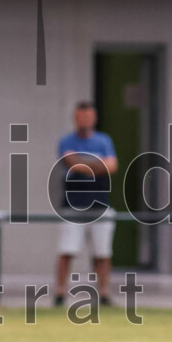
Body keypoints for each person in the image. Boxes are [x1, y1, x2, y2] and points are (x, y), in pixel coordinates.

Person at [53, 101, 118, 306]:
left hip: (100, 205)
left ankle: (104, 293)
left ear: (94, 118)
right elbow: (69, 161)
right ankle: (60, 292)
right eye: (81, 116)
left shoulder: (104, 141)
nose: (85, 120)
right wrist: (97, 165)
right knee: (67, 250)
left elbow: (112, 166)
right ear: (75, 118)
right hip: (73, 205)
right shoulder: (66, 141)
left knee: (103, 252)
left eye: (88, 116)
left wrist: (83, 164)